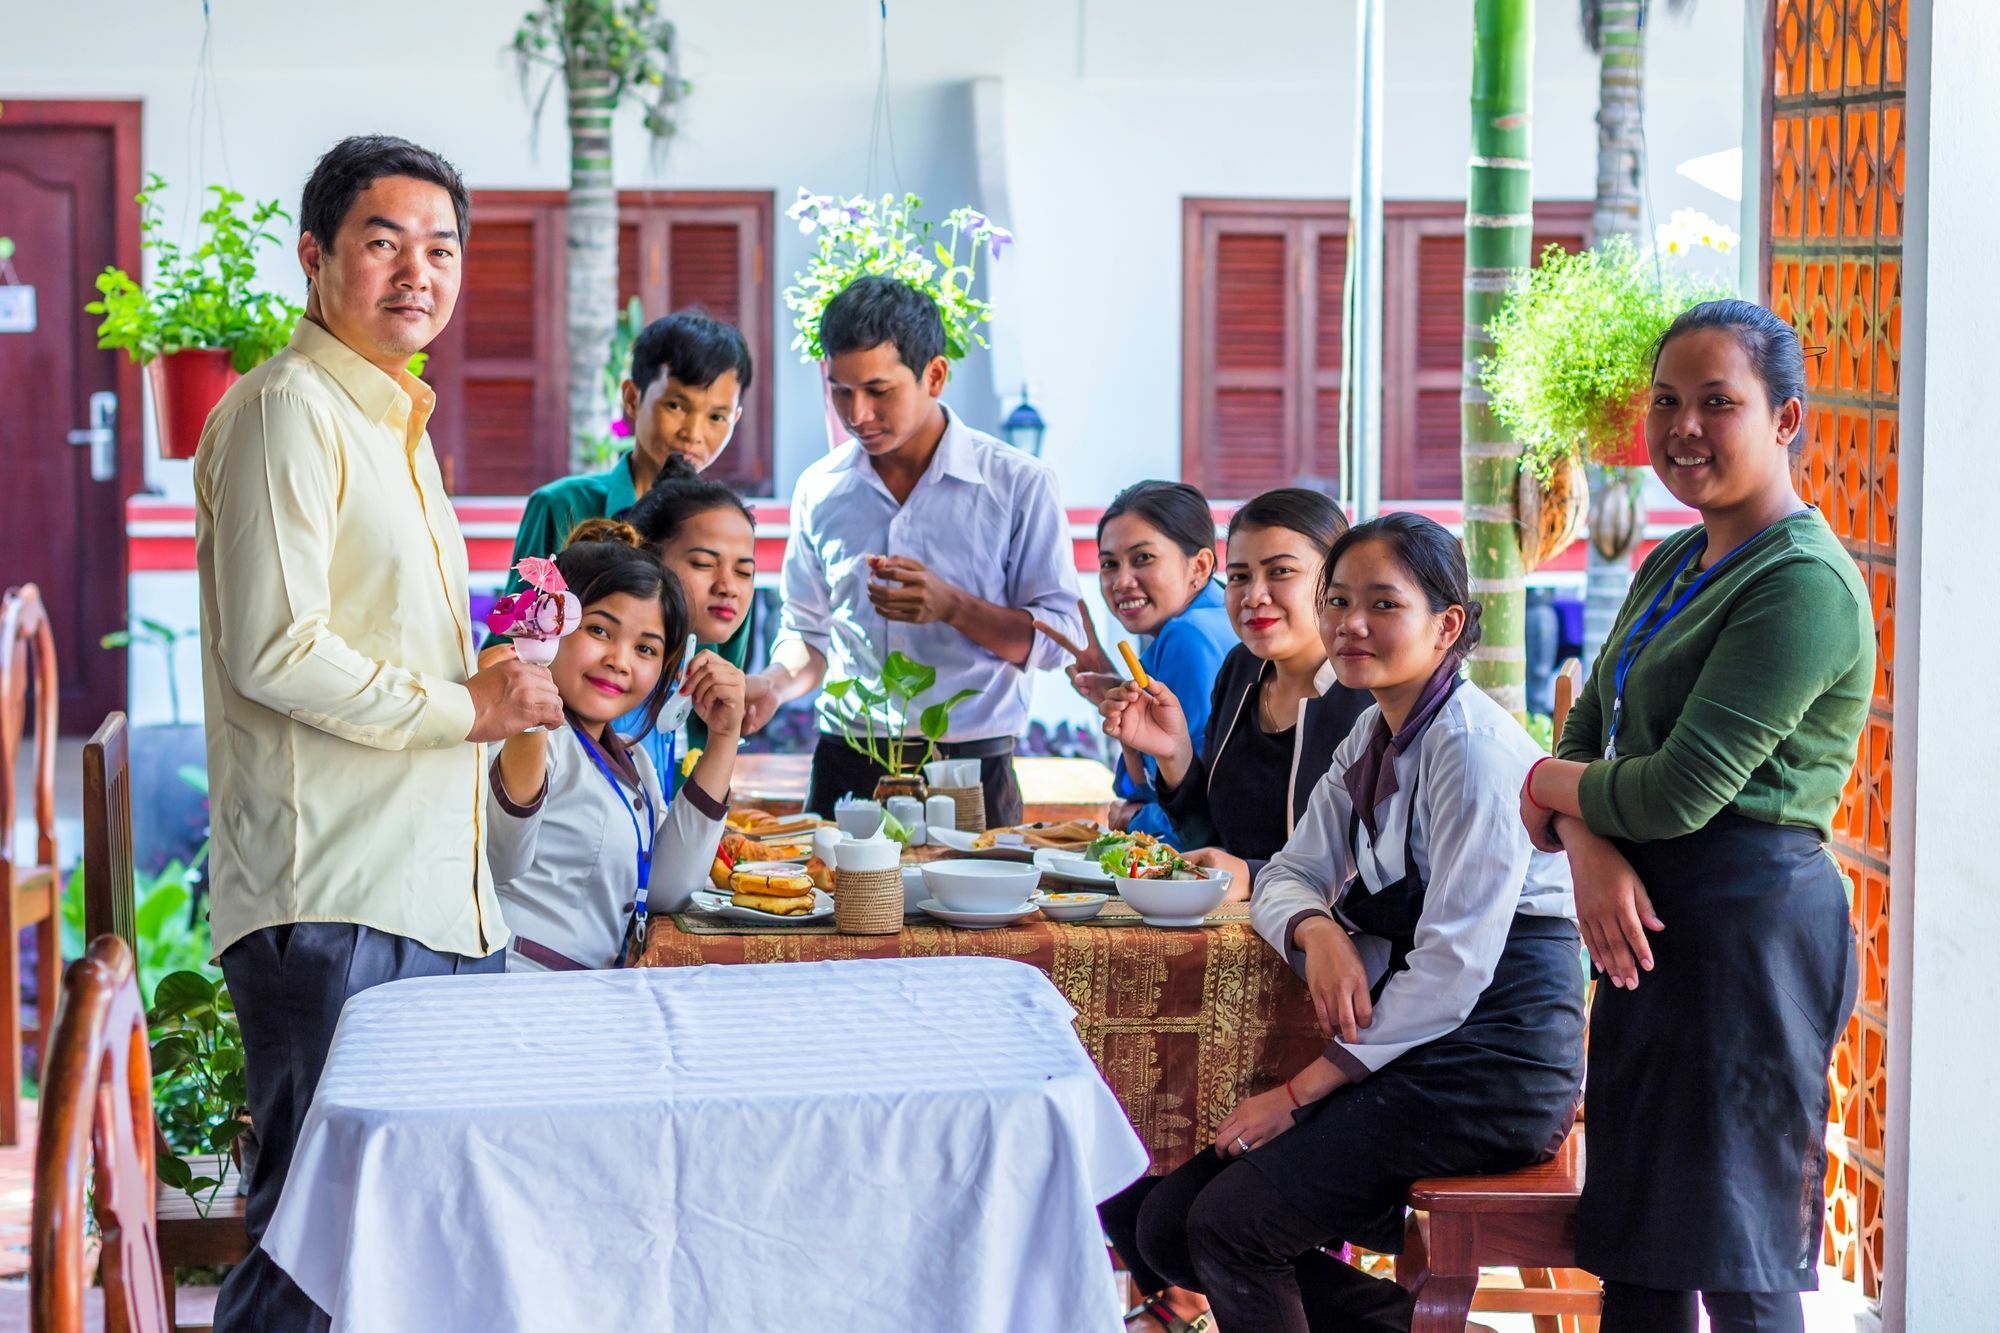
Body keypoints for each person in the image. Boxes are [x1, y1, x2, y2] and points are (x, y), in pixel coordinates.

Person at [194, 135, 563, 1332]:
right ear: (315, 257)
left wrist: (494, 675)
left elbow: (376, 644)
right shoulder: (286, 413)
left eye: (442, 248)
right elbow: (277, 649)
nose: (419, 271)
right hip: (339, 897)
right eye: (382, 242)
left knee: (412, 1251)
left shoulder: (394, 427)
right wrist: (467, 706)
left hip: (428, 894)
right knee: (317, 1254)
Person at [1130, 512, 1585, 1332]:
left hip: (1493, 1062)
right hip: (1416, 1046)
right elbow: (1287, 876)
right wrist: (1317, 929)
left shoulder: (1473, 752)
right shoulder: (1375, 732)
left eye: (1382, 603)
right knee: (1166, 1226)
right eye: (1338, 600)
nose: (1350, 624)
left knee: (1231, 1227)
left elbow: (1451, 971)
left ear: (1447, 625)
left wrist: (1297, 1095)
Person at [1519, 300, 1869, 1333]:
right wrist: (1584, 842)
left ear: (1785, 418)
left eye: (1717, 403)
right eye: (1666, 401)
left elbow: (1677, 789)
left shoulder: (1801, 584)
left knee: (1738, 1248)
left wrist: (1545, 789)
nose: (1682, 428)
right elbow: (1588, 729)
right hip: (1640, 923)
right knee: (1639, 1250)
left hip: (1744, 935)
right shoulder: (1670, 563)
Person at [749, 275, 1081, 823]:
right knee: (829, 908)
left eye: (878, 391)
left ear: (935, 375)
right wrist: (772, 683)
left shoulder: (1019, 483)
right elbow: (807, 632)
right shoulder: (820, 488)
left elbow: (1058, 641)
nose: (856, 414)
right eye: (841, 391)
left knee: (976, 913)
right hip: (846, 761)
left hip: (970, 766)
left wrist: (951, 606)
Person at [489, 523, 744, 971]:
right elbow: (500, 857)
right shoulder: (517, 736)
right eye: (600, 631)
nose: (620, 661)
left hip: (590, 999)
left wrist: (724, 737)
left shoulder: (635, 760)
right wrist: (528, 715)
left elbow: (668, 890)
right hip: (517, 993)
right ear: (549, 625)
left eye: (646, 649)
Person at [1097, 488, 1371, 894]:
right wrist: (1173, 754)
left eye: (1280, 572)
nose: (1253, 596)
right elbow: (1210, 843)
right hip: (1230, 933)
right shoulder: (1241, 671)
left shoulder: (1367, 695)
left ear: (1335, 581)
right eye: (1240, 576)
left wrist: (1251, 874)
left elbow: (1377, 873)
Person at [503, 307, 755, 662]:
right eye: (675, 406)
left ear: (736, 419)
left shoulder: (728, 533)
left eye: (716, 417)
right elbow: (510, 647)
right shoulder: (561, 507)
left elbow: (728, 673)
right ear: (632, 397)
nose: (693, 434)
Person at [1037, 481, 1233, 838]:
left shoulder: (1186, 636)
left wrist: (1133, 820)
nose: (1121, 581)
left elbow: (1189, 812)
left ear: (1200, 566)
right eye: (1109, 564)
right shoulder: (1212, 617)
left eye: (1143, 558)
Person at [624, 454, 761, 770]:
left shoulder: (686, 676)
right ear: (647, 558)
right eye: (703, 564)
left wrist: (725, 735)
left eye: (744, 572)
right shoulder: (612, 676)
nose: (728, 587)